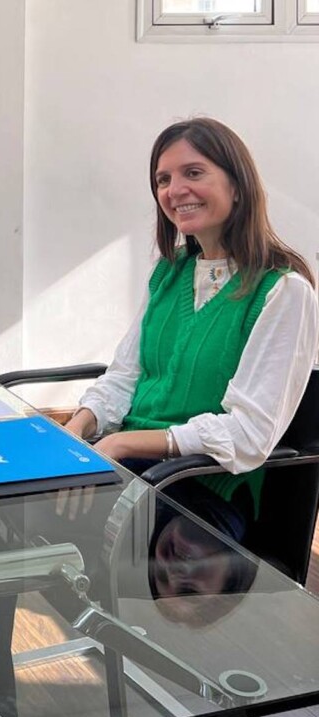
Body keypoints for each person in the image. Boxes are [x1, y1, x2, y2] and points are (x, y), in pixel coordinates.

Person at [65, 117, 318, 538]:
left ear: (238, 187)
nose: (174, 190)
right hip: (134, 469)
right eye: (163, 179)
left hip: (201, 489)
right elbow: (124, 378)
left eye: (193, 173)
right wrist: (77, 430)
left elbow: (248, 434)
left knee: (21, 515)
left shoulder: (284, 292)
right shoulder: (169, 272)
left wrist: (124, 443)